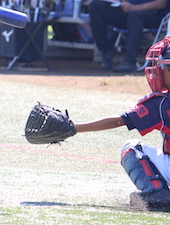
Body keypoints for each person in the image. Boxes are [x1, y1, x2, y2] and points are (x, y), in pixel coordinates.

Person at [72, 36, 170, 210]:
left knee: (131, 149)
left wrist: (75, 127)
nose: (157, 71)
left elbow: (120, 121)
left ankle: (158, 194)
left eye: (161, 66)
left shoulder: (161, 102)